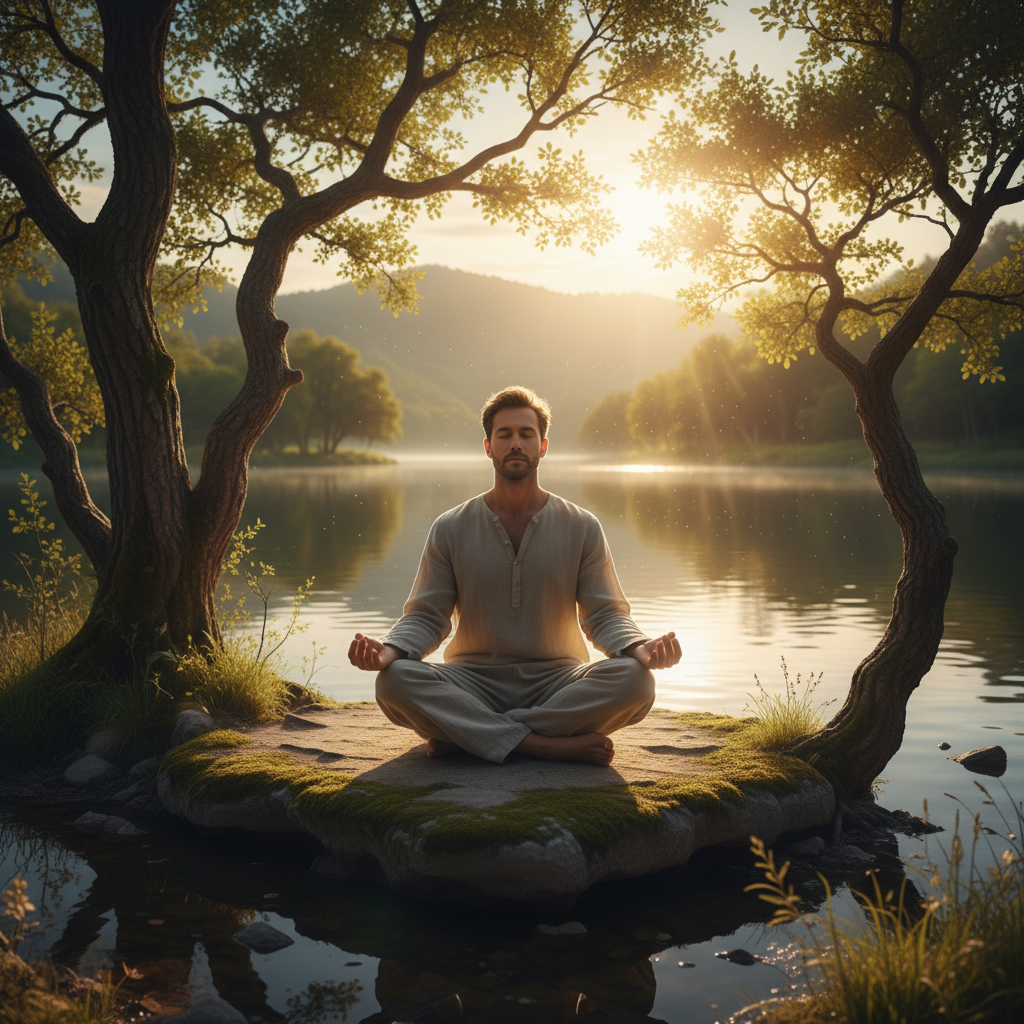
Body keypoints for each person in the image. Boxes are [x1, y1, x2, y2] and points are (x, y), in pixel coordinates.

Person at [348, 385, 681, 766]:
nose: (516, 444)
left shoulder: (582, 526)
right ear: (489, 447)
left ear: (543, 446)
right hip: (471, 681)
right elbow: (426, 615)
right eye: (504, 435)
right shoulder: (450, 527)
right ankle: (543, 745)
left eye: (526, 434)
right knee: (394, 681)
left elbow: (604, 614)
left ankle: (468, 736)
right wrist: (387, 653)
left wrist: (642, 648)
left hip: (559, 682)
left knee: (636, 681)